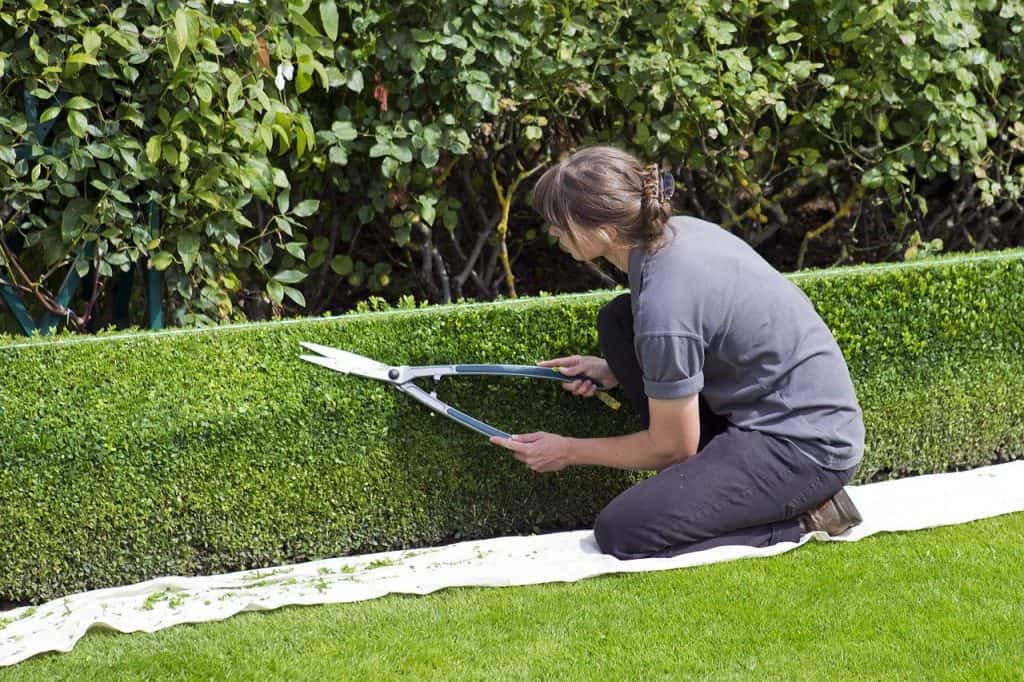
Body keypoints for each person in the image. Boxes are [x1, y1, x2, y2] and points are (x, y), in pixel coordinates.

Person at [489, 146, 865, 559]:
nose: (553, 233)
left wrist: (568, 450)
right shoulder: (675, 234)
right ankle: (713, 487)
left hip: (804, 447)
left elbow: (672, 448)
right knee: (618, 321)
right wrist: (613, 370)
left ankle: (808, 517)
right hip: (778, 414)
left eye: (559, 223)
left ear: (606, 230)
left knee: (622, 531)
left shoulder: (665, 304)